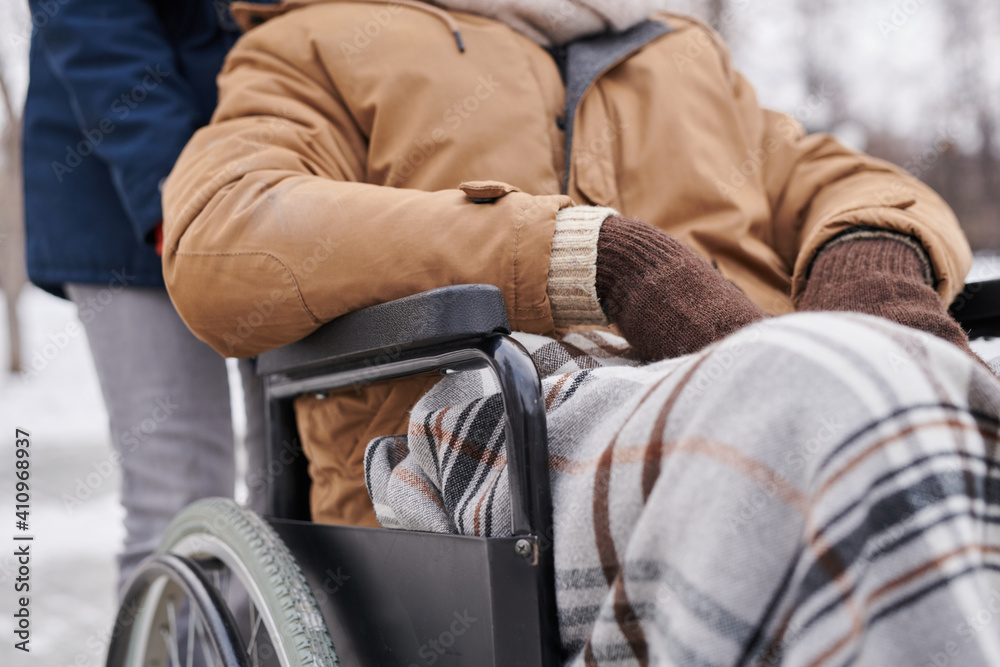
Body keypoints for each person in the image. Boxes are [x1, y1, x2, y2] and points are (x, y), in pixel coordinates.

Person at [160, 1, 1000, 664]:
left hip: (789, 394)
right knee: (826, 399)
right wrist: (586, 255)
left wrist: (875, 252)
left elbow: (847, 178)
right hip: (495, 440)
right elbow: (222, 234)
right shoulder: (315, 41)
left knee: (883, 400)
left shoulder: (678, 54)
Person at [22, 0, 266, 592]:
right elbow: (95, 29)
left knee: (287, 494)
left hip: (280, 184)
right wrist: (167, 194)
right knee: (180, 498)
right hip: (129, 186)